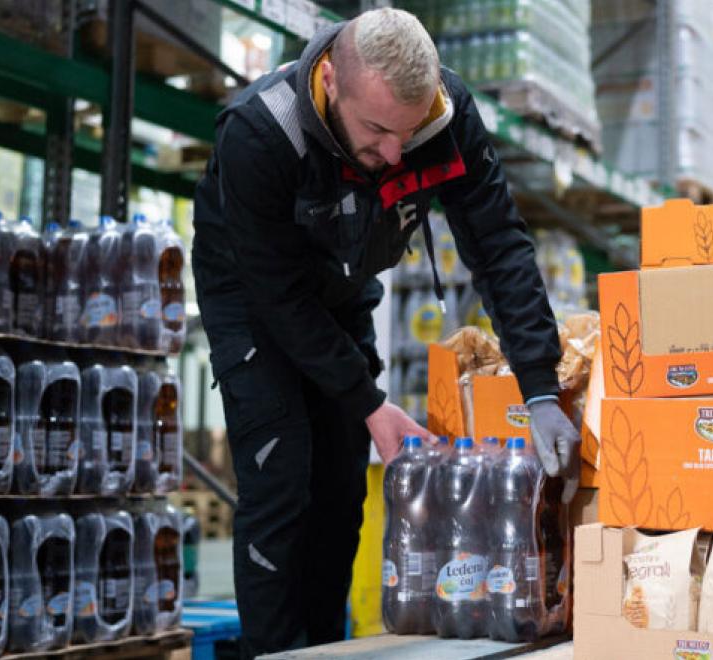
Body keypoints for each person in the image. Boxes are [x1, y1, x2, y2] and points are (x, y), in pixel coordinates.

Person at [191, 8, 579, 656]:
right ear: (331, 82)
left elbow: (498, 245)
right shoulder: (260, 134)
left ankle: (322, 649)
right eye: (376, 130)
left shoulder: (445, 114)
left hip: (344, 281)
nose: (396, 154)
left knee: (342, 491)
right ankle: (275, 653)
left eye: (409, 131)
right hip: (252, 295)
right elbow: (281, 300)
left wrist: (539, 387)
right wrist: (369, 401)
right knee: (282, 478)